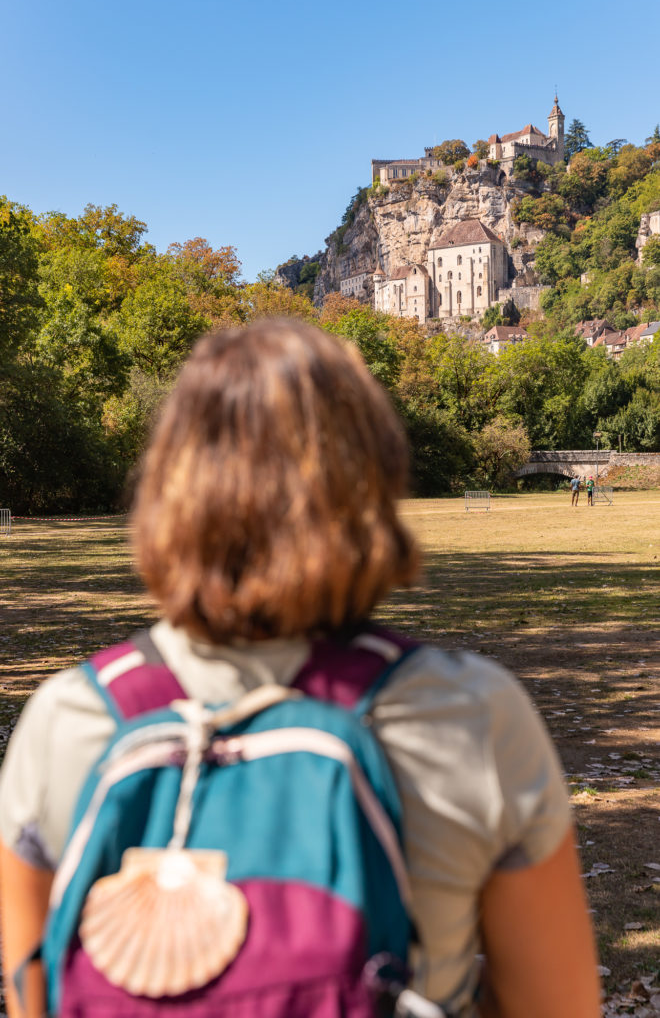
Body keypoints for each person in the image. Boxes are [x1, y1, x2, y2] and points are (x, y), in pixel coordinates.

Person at [0, 319, 600, 1018]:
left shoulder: (67, 719)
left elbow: (33, 993)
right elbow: (557, 1005)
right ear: (371, 481)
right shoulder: (469, 716)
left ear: (167, 486)